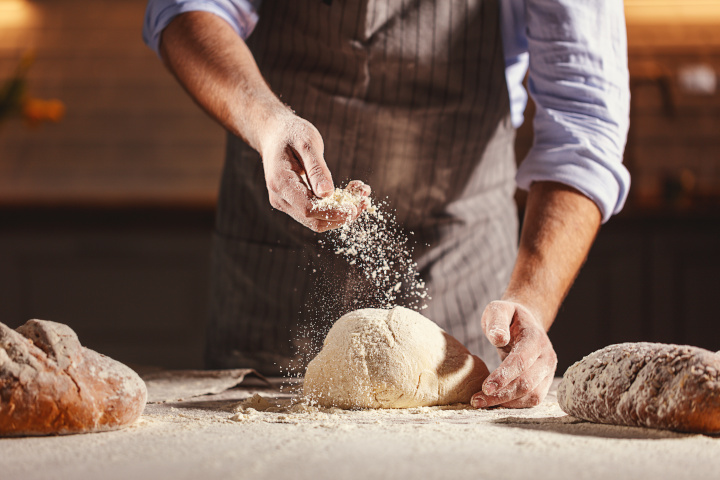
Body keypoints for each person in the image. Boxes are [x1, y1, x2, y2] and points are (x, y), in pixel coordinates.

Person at [143, 0, 630, 409]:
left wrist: (531, 302)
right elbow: (189, 8)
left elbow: (583, 121)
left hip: (461, 268)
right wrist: (268, 123)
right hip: (273, 267)